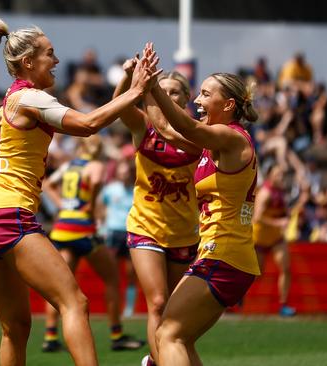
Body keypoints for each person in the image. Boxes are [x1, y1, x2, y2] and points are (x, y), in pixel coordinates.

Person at [0, 14, 159, 366]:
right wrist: (138, 90)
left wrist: (128, 84)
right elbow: (89, 124)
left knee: (15, 327)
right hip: (8, 215)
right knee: (74, 303)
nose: (57, 61)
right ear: (28, 62)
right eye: (50, 53)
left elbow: (92, 120)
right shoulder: (30, 97)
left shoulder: (15, 98)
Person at [142, 43, 260, 366]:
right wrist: (145, 89)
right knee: (179, 338)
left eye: (206, 94)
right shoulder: (213, 143)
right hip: (220, 254)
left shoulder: (233, 138)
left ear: (229, 104)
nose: (197, 100)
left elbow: (186, 126)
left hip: (224, 254)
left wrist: (154, 85)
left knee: (168, 336)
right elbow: (166, 130)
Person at [113, 60, 202, 365]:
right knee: (158, 302)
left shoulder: (197, 134)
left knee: (175, 313)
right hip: (145, 227)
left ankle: (154, 359)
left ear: (186, 98)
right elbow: (119, 107)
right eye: (161, 90)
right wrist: (128, 77)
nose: (168, 96)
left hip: (184, 233)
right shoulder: (144, 127)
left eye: (175, 92)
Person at [40, 136, 144, 353]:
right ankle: (117, 334)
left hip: (63, 228)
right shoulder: (95, 165)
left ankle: (50, 336)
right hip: (83, 229)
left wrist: (62, 205)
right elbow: (96, 180)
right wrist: (89, 203)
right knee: (112, 278)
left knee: (59, 286)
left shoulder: (70, 165)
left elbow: (47, 184)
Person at [252, 165, 296, 317]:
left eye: (282, 174)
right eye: (277, 174)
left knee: (286, 268)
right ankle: (236, 298)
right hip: (259, 239)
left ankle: (283, 305)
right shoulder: (265, 193)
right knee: (257, 274)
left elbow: (284, 212)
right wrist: (278, 223)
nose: (281, 177)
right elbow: (257, 217)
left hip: (276, 238)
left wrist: (288, 217)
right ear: (270, 176)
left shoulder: (281, 192)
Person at [97, 158, 138, 318]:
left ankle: (129, 309)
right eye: (121, 172)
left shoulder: (136, 190)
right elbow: (100, 206)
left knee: (131, 272)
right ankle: (113, 307)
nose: (123, 175)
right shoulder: (110, 189)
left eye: (126, 172)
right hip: (113, 232)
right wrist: (101, 225)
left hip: (130, 232)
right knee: (111, 272)